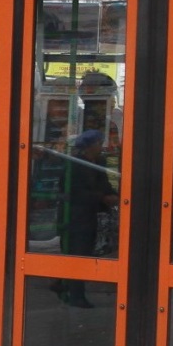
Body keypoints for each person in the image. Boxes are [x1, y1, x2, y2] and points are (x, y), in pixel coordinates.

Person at [57, 129, 119, 308]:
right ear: (89, 146)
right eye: (99, 143)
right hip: (74, 216)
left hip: (91, 215)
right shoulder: (74, 164)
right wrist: (102, 198)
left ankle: (61, 284)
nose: (102, 147)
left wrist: (114, 195)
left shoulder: (99, 162)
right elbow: (73, 191)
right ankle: (76, 294)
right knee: (77, 254)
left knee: (85, 252)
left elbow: (104, 184)